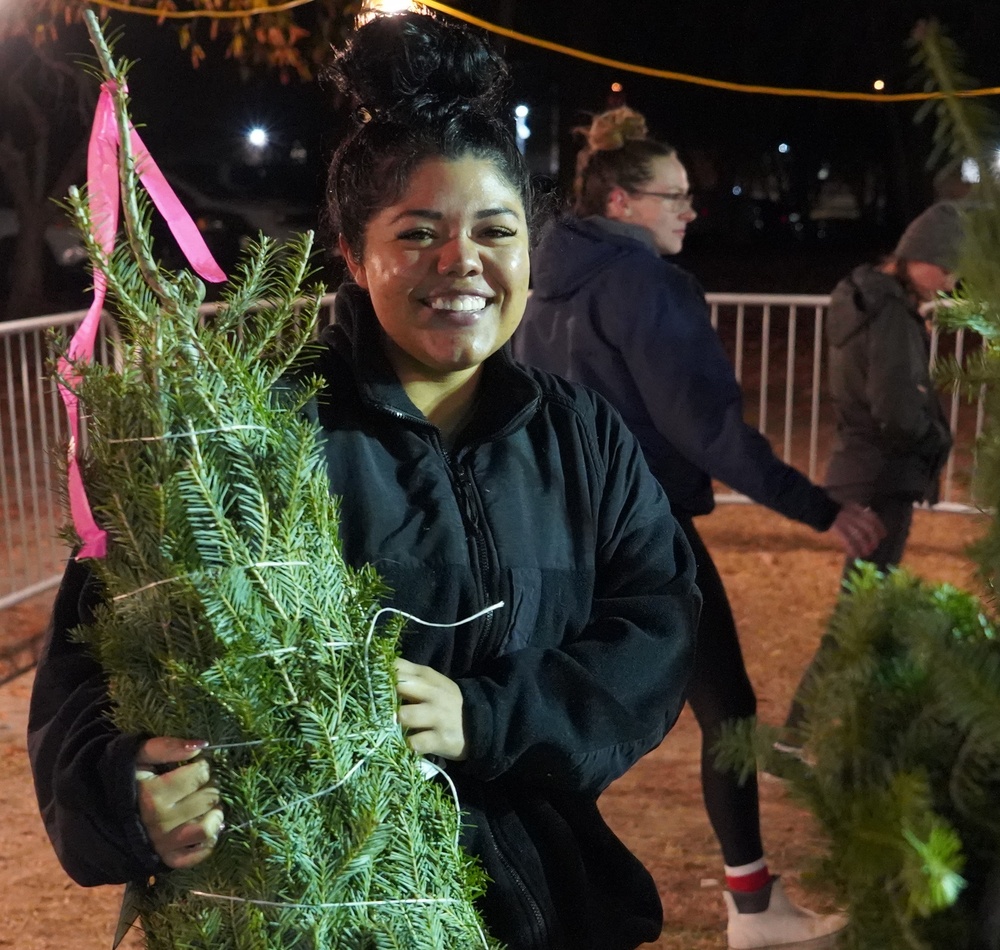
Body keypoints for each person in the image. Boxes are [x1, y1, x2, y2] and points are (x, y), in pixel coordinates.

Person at [28, 13, 700, 950]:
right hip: (295, 909)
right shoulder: (246, 438)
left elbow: (657, 627)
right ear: (352, 250)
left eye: (494, 231)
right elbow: (84, 678)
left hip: (543, 902)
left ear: (528, 252)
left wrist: (486, 713)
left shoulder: (579, 438)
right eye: (418, 231)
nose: (460, 262)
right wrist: (124, 794)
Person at [512, 106, 884, 950]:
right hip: (641, 528)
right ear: (620, 203)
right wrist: (821, 508)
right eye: (674, 195)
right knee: (729, 711)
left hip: (548, 526)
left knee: (555, 716)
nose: (691, 209)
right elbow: (706, 429)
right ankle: (751, 909)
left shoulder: (538, 273)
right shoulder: (644, 285)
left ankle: (540, 898)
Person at [782, 200, 963, 738]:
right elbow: (897, 411)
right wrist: (937, 438)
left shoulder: (865, 298)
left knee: (868, 609)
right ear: (918, 257)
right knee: (858, 614)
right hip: (883, 477)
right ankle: (800, 733)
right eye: (948, 268)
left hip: (864, 472)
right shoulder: (888, 313)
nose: (952, 283)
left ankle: (852, 731)